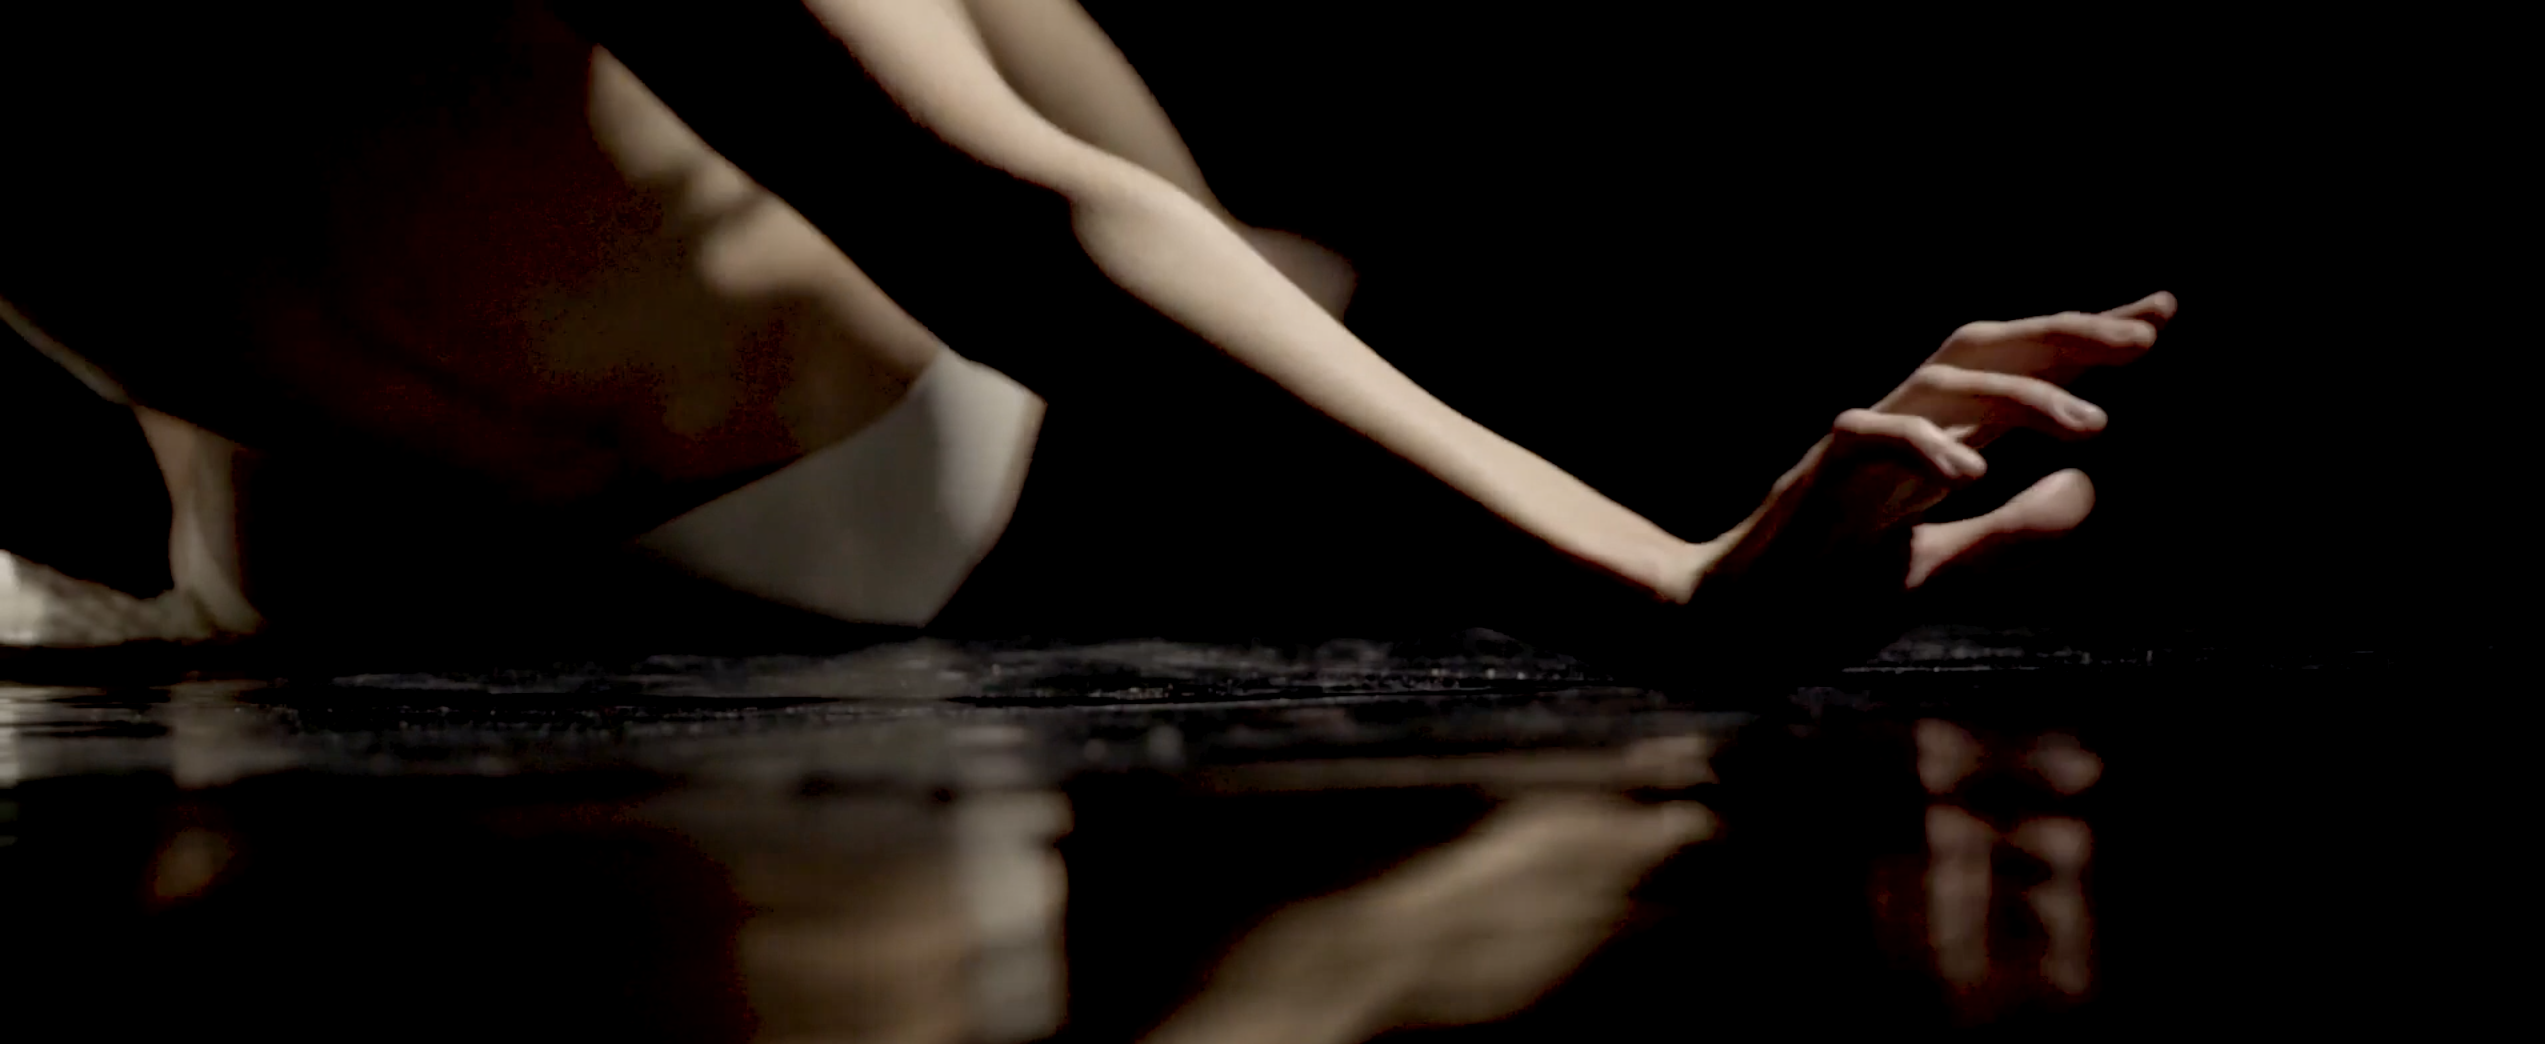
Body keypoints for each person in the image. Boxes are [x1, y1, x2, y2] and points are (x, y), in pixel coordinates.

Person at [0, 1, 2173, 679]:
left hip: (900, 462)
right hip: (347, 586)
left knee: (1202, 256)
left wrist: (1662, 581)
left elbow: (1014, 220)